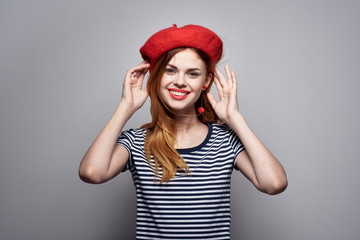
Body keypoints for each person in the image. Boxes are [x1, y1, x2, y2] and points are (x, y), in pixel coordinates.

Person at [79, 24, 287, 239]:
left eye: (193, 73)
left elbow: (274, 183)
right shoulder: (136, 142)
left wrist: (235, 119)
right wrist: (126, 106)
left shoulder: (225, 142)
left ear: (206, 82)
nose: (180, 81)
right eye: (170, 70)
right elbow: (92, 173)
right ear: (156, 76)